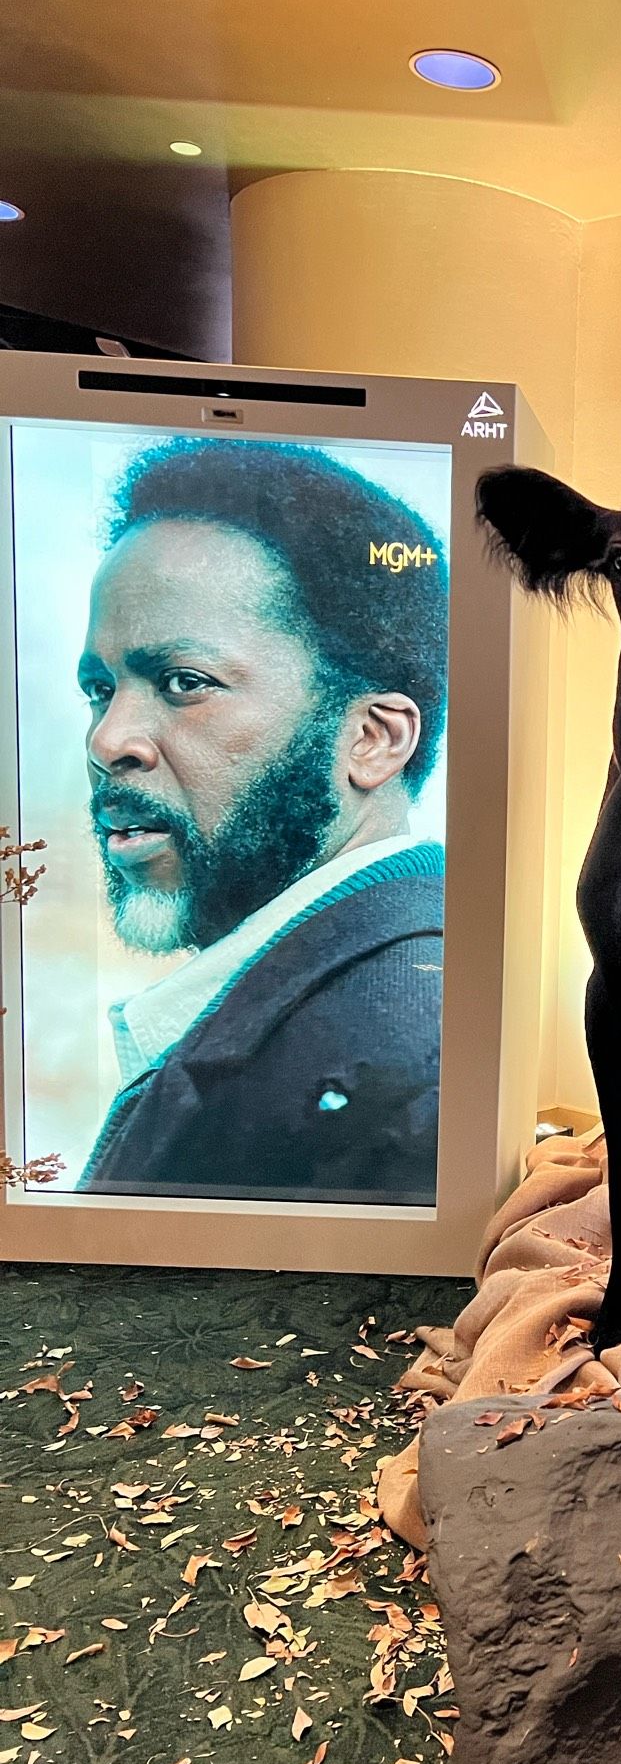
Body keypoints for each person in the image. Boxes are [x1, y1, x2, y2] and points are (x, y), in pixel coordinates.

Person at [75, 437, 448, 1204]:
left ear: (374, 740)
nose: (108, 741)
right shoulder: (393, 995)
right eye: (99, 689)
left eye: (184, 682)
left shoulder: (393, 1065)